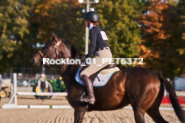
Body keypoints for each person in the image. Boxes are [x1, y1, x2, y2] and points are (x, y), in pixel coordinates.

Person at [80, 11, 113, 104]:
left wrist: (89, 57)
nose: (85, 23)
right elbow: (97, 46)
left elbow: (93, 46)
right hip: (107, 53)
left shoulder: (93, 30)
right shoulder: (100, 30)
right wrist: (87, 55)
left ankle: (91, 97)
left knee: (84, 73)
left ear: (90, 21)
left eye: (86, 21)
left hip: (102, 55)